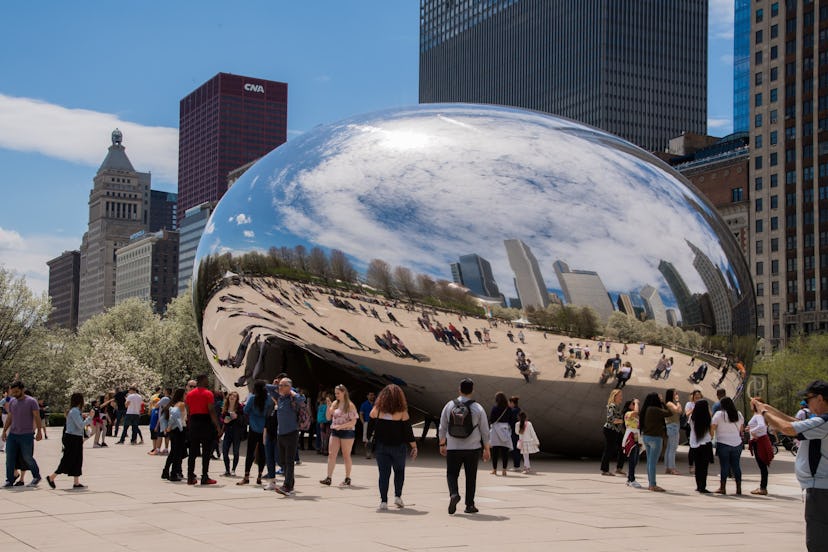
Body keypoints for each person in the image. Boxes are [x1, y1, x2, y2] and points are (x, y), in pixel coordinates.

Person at [752, 381, 828, 551]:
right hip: (821, 488)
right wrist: (769, 409)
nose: (807, 404)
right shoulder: (821, 422)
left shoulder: (824, 422)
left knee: (818, 542)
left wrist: (763, 411)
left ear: (821, 398)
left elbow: (788, 429)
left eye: (809, 399)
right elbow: (794, 423)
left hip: (820, 490)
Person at [438, 378, 491, 515]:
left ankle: (454, 494)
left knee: (451, 473)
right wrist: (486, 448)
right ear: (472, 390)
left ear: (459, 389)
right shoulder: (478, 408)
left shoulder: (449, 406)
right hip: (472, 448)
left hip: (453, 447)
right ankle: (470, 505)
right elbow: (485, 430)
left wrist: (442, 444)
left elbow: (442, 427)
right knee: (471, 477)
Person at [367, 384, 417, 510]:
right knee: (399, 471)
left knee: (383, 474)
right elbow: (408, 432)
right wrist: (414, 447)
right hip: (398, 447)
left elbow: (369, 431)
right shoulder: (402, 413)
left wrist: (370, 439)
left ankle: (383, 501)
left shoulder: (376, 411)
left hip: (381, 447)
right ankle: (397, 496)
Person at [2, 381, 44, 487]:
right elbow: (10, 417)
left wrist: (39, 431)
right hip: (13, 434)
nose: (15, 394)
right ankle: (9, 480)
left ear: (22, 389)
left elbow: (37, 417)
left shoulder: (31, 401)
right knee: (9, 458)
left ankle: (36, 476)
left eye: (17, 391)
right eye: (13, 392)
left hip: (26, 434)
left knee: (27, 457)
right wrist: (4, 431)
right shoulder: (12, 402)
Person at [46, 392, 91, 490]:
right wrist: (89, 418)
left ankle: (76, 482)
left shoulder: (75, 411)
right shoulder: (74, 411)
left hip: (75, 437)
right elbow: (80, 425)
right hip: (72, 438)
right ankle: (52, 477)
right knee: (68, 458)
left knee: (77, 459)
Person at [185, 374, 222, 485]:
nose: (208, 381)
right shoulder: (208, 393)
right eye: (206, 380)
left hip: (194, 421)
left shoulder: (190, 394)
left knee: (192, 452)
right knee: (206, 451)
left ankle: (190, 477)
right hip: (205, 422)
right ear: (202, 381)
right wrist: (217, 426)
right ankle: (204, 476)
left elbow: (188, 409)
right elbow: (211, 410)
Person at [272, 378, 306, 497]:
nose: (280, 387)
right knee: (282, 461)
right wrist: (276, 384)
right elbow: (267, 387)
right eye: (280, 385)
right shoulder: (280, 398)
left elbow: (302, 401)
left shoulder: (293, 398)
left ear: (289, 387)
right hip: (280, 433)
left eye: (283, 385)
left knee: (289, 461)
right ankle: (289, 484)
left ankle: (287, 486)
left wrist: (291, 391)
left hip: (292, 433)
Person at [320, 384, 358, 486]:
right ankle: (328, 478)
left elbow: (353, 422)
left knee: (346, 456)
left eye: (338, 393)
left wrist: (341, 426)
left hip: (347, 432)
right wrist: (328, 406)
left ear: (344, 392)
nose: (336, 395)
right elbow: (328, 417)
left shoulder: (350, 405)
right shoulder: (335, 404)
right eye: (335, 393)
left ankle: (347, 478)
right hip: (335, 432)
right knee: (332, 454)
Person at [710, 396, 744, 495]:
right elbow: (741, 429)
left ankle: (723, 488)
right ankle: (738, 488)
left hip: (723, 443)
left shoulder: (719, 414)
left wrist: (711, 437)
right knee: (736, 466)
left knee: (724, 466)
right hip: (737, 443)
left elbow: (713, 427)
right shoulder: (739, 414)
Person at [640, 392, 671, 492]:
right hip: (655, 438)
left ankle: (651, 483)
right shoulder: (656, 410)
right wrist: (663, 402)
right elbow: (670, 412)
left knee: (650, 462)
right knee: (652, 463)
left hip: (646, 437)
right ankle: (652, 485)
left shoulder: (645, 410)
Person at [238, 382, 268, 485]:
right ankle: (259, 476)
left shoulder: (252, 398)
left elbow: (245, 410)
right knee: (262, 452)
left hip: (253, 427)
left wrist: (252, 413)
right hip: (264, 428)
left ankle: (246, 476)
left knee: (250, 452)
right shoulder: (268, 399)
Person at [747, 401, 773, 496]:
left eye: (751, 403)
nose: (750, 405)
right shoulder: (759, 415)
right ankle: (762, 487)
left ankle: (763, 488)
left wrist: (751, 431)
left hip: (759, 442)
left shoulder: (758, 415)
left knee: (762, 466)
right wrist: (751, 429)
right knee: (763, 466)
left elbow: (761, 426)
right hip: (759, 441)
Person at [689, 399, 714, 493]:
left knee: (698, 465)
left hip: (694, 443)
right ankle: (702, 486)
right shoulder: (707, 417)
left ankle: (698, 485)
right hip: (706, 443)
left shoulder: (692, 417)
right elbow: (711, 432)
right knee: (704, 467)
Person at [488, 392, 515, 476]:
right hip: (505, 430)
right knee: (505, 452)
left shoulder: (495, 408)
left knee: (495, 452)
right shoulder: (509, 409)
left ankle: (494, 470)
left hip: (496, 431)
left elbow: (491, 419)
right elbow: (512, 420)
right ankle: (504, 470)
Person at [600, 389, 624, 476]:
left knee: (622, 447)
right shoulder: (612, 406)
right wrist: (623, 421)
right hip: (610, 430)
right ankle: (604, 470)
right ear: (615, 396)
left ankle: (619, 468)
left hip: (616, 430)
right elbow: (610, 419)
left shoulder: (617, 406)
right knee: (609, 449)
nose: (621, 397)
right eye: (620, 395)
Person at [221, 391, 244, 477]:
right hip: (227, 432)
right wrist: (224, 421)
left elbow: (244, 419)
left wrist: (237, 417)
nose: (232, 397)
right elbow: (222, 418)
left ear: (237, 398)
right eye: (231, 395)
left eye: (234, 396)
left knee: (236, 451)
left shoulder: (240, 407)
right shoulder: (225, 406)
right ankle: (227, 470)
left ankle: (233, 469)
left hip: (236, 432)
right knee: (224, 451)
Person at [621, 399, 641, 488]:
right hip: (630, 436)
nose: (635, 405)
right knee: (632, 459)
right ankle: (632, 479)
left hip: (636, 435)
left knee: (636, 459)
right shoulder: (628, 414)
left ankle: (630, 478)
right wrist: (636, 402)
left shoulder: (635, 416)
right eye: (633, 404)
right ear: (629, 406)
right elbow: (636, 412)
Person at [664, 389, 683, 475]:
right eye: (675, 393)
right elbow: (677, 410)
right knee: (672, 448)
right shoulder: (669, 403)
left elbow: (680, 410)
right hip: (672, 426)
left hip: (674, 425)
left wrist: (677, 402)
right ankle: (672, 468)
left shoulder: (672, 403)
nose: (676, 394)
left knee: (670, 447)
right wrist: (678, 401)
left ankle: (668, 467)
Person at [684, 390, 703, 474]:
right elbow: (687, 414)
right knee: (692, 447)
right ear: (693, 397)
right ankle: (691, 465)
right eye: (696, 397)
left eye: (699, 397)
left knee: (700, 447)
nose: (698, 399)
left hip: (701, 427)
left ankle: (699, 465)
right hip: (691, 427)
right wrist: (695, 407)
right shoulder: (689, 404)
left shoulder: (703, 404)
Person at [360, 391, 376, 459]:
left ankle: (373, 453)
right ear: (367, 396)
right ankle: (367, 453)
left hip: (375, 423)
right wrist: (363, 422)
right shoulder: (364, 404)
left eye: (373, 395)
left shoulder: (376, 404)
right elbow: (361, 413)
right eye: (370, 395)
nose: (372, 396)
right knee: (366, 438)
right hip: (367, 422)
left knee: (374, 438)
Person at [508, 396, 522, 470]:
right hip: (519, 432)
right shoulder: (519, 410)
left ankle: (516, 466)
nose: (508, 404)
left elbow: (510, 422)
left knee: (515, 449)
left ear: (512, 403)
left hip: (514, 432)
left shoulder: (513, 411)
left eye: (509, 403)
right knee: (518, 449)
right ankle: (517, 465)